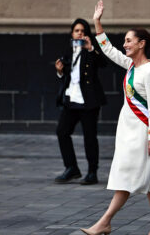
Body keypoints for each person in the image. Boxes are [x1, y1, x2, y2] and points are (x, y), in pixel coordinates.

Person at [79, 0, 150, 235]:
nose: (125, 44)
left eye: (129, 41)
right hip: (127, 130)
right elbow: (108, 50)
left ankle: (105, 222)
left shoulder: (149, 72)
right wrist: (97, 22)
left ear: (141, 44)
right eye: (125, 41)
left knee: (128, 176)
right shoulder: (131, 65)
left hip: (141, 133)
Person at [54, 18, 107, 185]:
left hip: (88, 100)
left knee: (89, 137)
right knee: (62, 132)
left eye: (83, 31)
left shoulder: (91, 49)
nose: (80, 33)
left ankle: (92, 172)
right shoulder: (68, 49)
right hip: (71, 98)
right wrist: (59, 72)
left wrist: (91, 48)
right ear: (72, 33)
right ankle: (71, 168)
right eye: (77, 31)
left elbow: (103, 63)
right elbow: (67, 74)